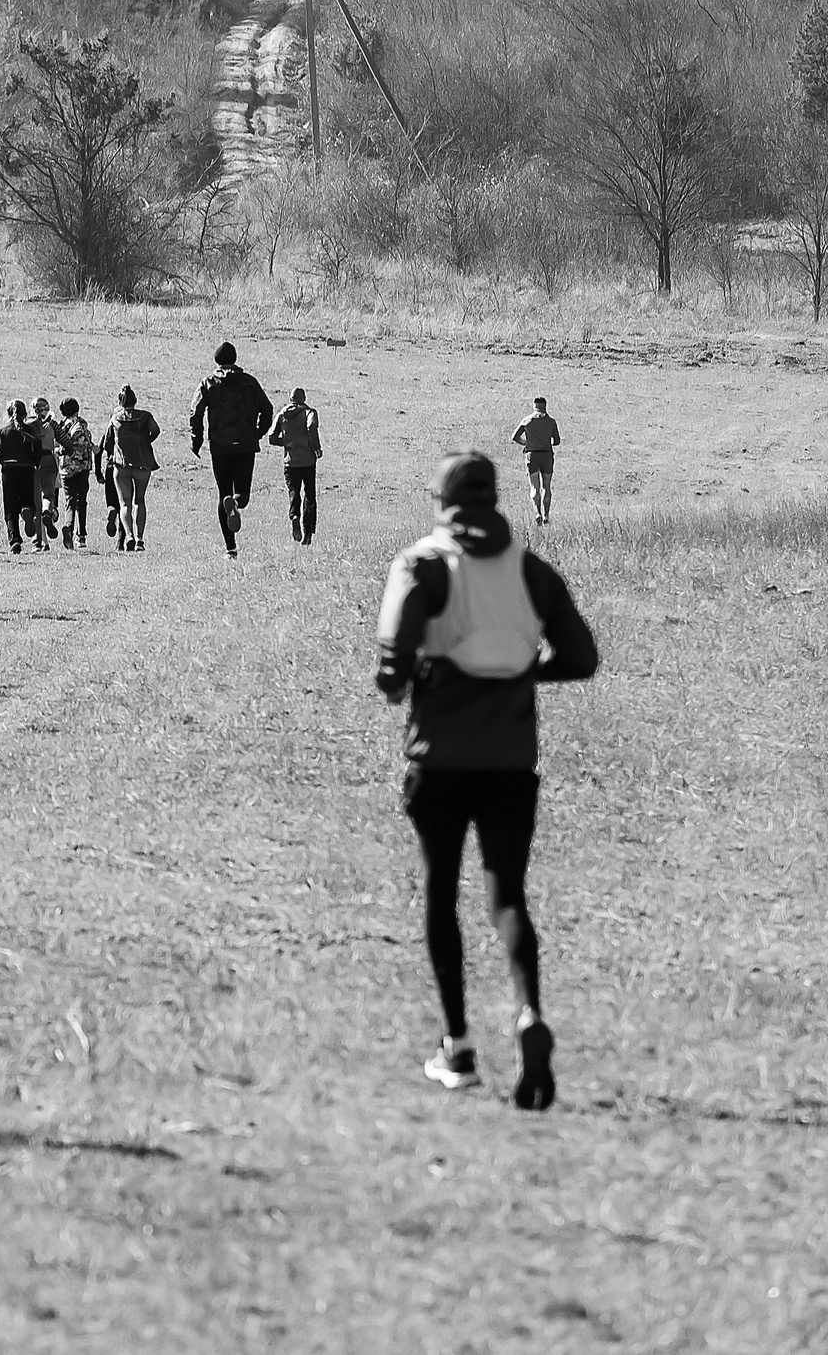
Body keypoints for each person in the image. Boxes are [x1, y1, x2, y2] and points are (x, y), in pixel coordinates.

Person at [374, 451, 598, 1112]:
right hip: (511, 759)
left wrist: (418, 678)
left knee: (441, 890)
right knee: (508, 897)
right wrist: (520, 675)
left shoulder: (420, 565)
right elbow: (582, 658)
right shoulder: (529, 569)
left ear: (439, 500)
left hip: (439, 757)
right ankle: (529, 1012)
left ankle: (459, 1047)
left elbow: (389, 671)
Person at [190, 340, 275, 558]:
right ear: (235, 359)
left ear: (217, 361)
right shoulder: (249, 382)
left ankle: (230, 548)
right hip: (245, 446)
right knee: (243, 494)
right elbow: (268, 409)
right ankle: (235, 503)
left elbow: (195, 412)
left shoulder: (208, 383)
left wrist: (196, 439)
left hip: (219, 447)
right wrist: (258, 432)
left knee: (223, 492)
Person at [99, 386, 160, 551]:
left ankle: (129, 536)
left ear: (120, 401)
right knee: (139, 500)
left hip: (122, 465)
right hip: (142, 464)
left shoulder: (115, 418)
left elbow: (106, 443)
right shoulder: (146, 416)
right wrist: (145, 441)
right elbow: (156, 431)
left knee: (124, 503)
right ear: (135, 400)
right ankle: (140, 539)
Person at [0, 400, 47, 553]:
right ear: (25, 414)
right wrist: (36, 462)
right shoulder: (30, 430)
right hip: (27, 469)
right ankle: (27, 509)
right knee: (28, 499)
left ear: (8, 413)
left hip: (9, 471)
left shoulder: (2, 432)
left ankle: (14, 541)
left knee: (10, 508)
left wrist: (0, 460)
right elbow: (38, 447)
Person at [268, 387, 324, 542]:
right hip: (307, 461)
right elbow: (311, 427)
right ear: (304, 398)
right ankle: (307, 533)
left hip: (290, 462)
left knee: (294, 492)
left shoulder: (282, 414)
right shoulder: (310, 412)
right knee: (310, 495)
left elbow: (271, 437)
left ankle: (294, 516)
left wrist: (287, 442)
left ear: (291, 399)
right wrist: (316, 447)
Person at [510, 397, 561, 526]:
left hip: (532, 455)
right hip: (546, 455)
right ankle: (546, 516)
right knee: (546, 486)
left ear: (534, 406)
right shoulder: (551, 422)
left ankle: (537, 512)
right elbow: (557, 441)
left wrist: (527, 443)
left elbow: (514, 437)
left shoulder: (527, 420)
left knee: (534, 487)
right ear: (545, 406)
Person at [54, 399, 97, 548]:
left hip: (67, 469)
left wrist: (57, 451)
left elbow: (65, 447)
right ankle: (82, 535)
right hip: (84, 468)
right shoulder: (82, 425)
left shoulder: (62, 426)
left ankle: (68, 527)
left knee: (70, 501)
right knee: (82, 501)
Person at [28, 397, 63, 541]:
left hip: (33, 463)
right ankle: (48, 513)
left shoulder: (28, 425)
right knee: (48, 495)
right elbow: (66, 441)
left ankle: (39, 540)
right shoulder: (52, 425)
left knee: (35, 501)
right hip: (50, 461)